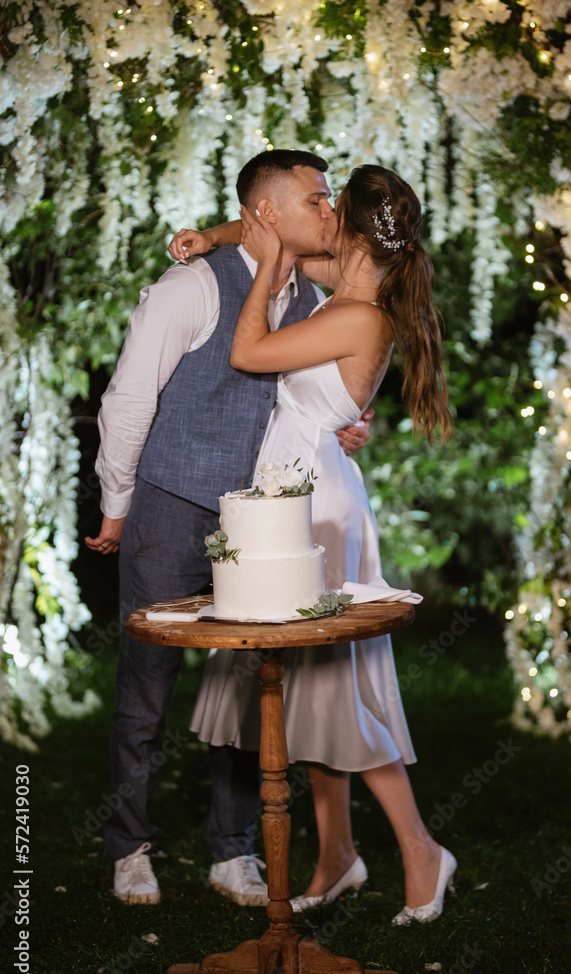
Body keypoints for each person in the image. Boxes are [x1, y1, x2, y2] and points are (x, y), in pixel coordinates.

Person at [84, 150, 373, 907]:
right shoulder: (191, 288)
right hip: (170, 504)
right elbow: (127, 404)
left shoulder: (314, 296)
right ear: (270, 212)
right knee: (147, 686)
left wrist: (344, 422)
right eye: (317, 199)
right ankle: (131, 848)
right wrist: (118, 504)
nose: (330, 211)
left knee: (250, 687)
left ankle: (231, 851)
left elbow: (317, 384)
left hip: (264, 521)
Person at [170, 164, 456, 926]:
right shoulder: (351, 279)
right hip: (291, 489)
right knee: (308, 694)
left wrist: (262, 271)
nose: (318, 210)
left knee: (338, 693)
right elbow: (277, 231)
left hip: (316, 505)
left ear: (353, 231)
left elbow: (250, 351)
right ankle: (338, 855)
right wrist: (218, 236)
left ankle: (422, 851)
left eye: (330, 203)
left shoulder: (360, 314)